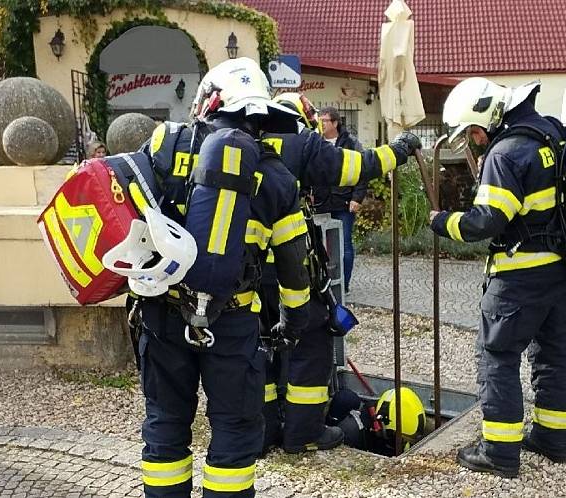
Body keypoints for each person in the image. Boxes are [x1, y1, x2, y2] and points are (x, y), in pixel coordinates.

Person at [134, 57, 311, 498]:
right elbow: (294, 267)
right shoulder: (276, 177)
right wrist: (293, 319)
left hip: (162, 312)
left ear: (208, 101)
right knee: (234, 426)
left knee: (166, 421)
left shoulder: (165, 145)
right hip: (232, 322)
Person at [429, 77, 566, 478]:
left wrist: (442, 222)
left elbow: (486, 222)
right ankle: (552, 439)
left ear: (487, 117)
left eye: (474, 131)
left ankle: (498, 450)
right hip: (563, 273)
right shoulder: (549, 134)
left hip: (518, 277)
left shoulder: (506, 153)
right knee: (554, 356)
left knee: (497, 356)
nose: (476, 140)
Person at [258, 93, 421, 455]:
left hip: (249, 271)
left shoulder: (243, 144)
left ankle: (266, 429)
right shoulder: (299, 146)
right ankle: (304, 434)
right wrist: (400, 149)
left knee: (261, 346)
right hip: (288, 264)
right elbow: (358, 166)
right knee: (312, 341)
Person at [310, 107, 365, 294]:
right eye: (319, 120)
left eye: (324, 120)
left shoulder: (351, 143)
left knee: (344, 245)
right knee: (319, 245)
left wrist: (357, 197)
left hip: (343, 202)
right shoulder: (314, 142)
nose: (321, 124)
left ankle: (344, 284)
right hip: (319, 203)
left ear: (334, 123)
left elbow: (362, 172)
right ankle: (323, 283)